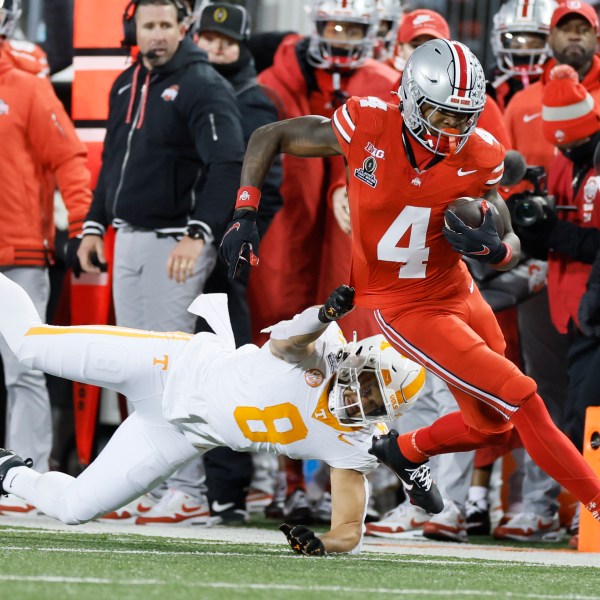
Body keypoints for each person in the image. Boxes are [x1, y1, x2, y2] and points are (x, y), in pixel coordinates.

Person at [218, 38, 600, 531]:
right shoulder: (366, 123)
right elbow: (268, 135)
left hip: (460, 291)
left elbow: (508, 234)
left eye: (465, 117)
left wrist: (497, 251)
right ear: (412, 101)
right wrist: (245, 211)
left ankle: (402, 450)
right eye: (443, 115)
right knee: (521, 395)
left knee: (495, 423)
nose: (455, 129)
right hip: (400, 305)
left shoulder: (480, 151)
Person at [0, 273, 427, 556]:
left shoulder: (354, 440)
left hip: (178, 435)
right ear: (359, 359)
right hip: (167, 366)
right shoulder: (320, 349)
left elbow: (350, 528)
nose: (363, 401)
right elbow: (287, 345)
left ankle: (7, 472)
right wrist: (324, 315)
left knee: (75, 507)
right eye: (369, 385)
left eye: (376, 403)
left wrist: (324, 543)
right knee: (29, 344)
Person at [76, 0, 246, 525]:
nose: (155, 35)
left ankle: (189, 490)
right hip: (128, 238)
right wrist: (91, 225)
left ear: (182, 27)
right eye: (147, 25)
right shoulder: (126, 82)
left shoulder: (202, 84)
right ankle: (150, 487)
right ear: (134, 27)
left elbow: (229, 162)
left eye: (164, 26)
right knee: (137, 373)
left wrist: (200, 234)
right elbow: (111, 161)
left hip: (175, 242)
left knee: (172, 373)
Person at [242, 0, 399, 524]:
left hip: (351, 229)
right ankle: (284, 479)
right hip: (289, 222)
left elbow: (380, 149)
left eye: (352, 28)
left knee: (358, 350)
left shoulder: (382, 81)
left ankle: (359, 479)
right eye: (333, 25)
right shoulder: (276, 79)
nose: (340, 36)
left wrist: (341, 185)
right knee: (284, 342)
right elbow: (270, 138)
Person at [191, 1, 284, 525]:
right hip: (184, 249)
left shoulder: (255, 100)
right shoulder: (193, 89)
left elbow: (269, 190)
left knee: (223, 369)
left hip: (224, 259)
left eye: (227, 39)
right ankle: (191, 487)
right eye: (209, 36)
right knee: (180, 366)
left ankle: (229, 489)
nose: (217, 45)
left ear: (243, 43)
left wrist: (237, 244)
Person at [0, 0, 92, 515]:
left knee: (23, 369)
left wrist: (81, 228)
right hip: (18, 252)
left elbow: (69, 158)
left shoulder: (28, 87)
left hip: (18, 255)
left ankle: (24, 476)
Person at [513, 64, 600, 548]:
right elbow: (559, 237)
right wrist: (538, 234)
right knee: (570, 415)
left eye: (575, 144)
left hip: (593, 302)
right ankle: (580, 511)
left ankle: (591, 513)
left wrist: (555, 234)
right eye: (561, 144)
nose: (567, 151)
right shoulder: (566, 160)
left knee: (589, 411)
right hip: (568, 300)